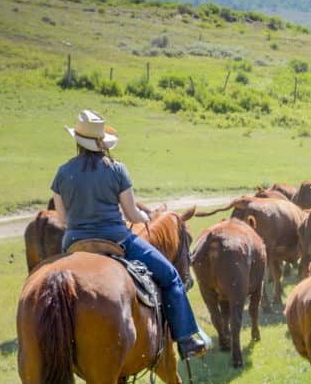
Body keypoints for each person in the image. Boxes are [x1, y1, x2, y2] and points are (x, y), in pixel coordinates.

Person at [50, 108, 211, 360]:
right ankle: (186, 339)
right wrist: (145, 218)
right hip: (117, 240)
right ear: (101, 142)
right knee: (170, 277)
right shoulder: (116, 169)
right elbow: (132, 214)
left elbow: (62, 219)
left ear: (77, 141)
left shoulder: (62, 173)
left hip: (73, 243)